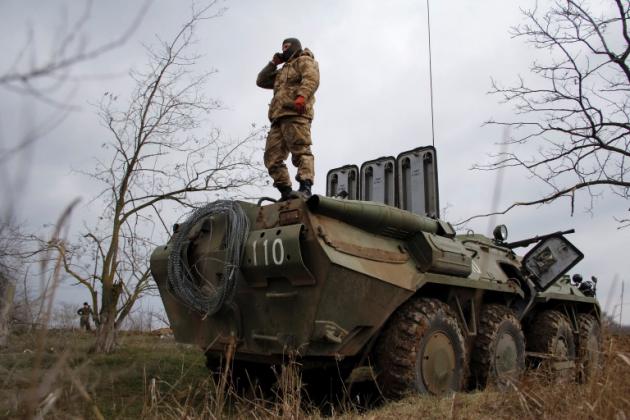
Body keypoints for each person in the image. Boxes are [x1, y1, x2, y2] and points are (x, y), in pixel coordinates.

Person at [256, 37, 320, 201]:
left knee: (301, 151)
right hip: (278, 117)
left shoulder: (303, 60)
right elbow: (261, 81)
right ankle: (286, 192)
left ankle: (305, 187)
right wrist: (273, 63)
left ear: (295, 47)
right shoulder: (282, 71)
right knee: (272, 157)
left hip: (296, 113)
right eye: (282, 47)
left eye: (287, 47)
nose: (284, 50)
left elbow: (311, 78)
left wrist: (302, 96)